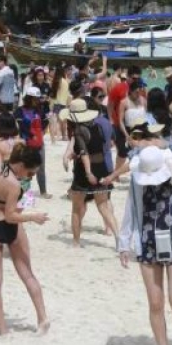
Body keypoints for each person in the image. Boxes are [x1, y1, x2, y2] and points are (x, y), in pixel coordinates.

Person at [118, 146, 172, 345]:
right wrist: (123, 244)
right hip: (147, 244)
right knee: (154, 302)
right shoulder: (135, 184)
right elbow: (130, 212)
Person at [0, 143, 50, 335]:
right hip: (12, 226)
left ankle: (3, 329)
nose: (29, 177)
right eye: (30, 173)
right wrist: (34, 217)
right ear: (22, 165)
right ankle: (42, 318)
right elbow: (11, 216)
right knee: (28, 274)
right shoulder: (15, 184)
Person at [60, 98, 118, 247]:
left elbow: (84, 153)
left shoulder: (78, 131)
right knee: (103, 206)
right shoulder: (96, 126)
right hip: (101, 166)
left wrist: (87, 172)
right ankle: (118, 238)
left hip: (85, 170)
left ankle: (76, 241)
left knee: (77, 208)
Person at [14, 86, 51, 198]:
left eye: (38, 99)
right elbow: (18, 126)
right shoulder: (19, 111)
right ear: (29, 98)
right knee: (24, 168)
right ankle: (20, 192)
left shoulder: (40, 110)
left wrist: (40, 133)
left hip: (39, 143)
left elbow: (45, 121)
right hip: (25, 144)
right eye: (35, 99)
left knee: (41, 167)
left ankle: (43, 191)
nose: (38, 101)